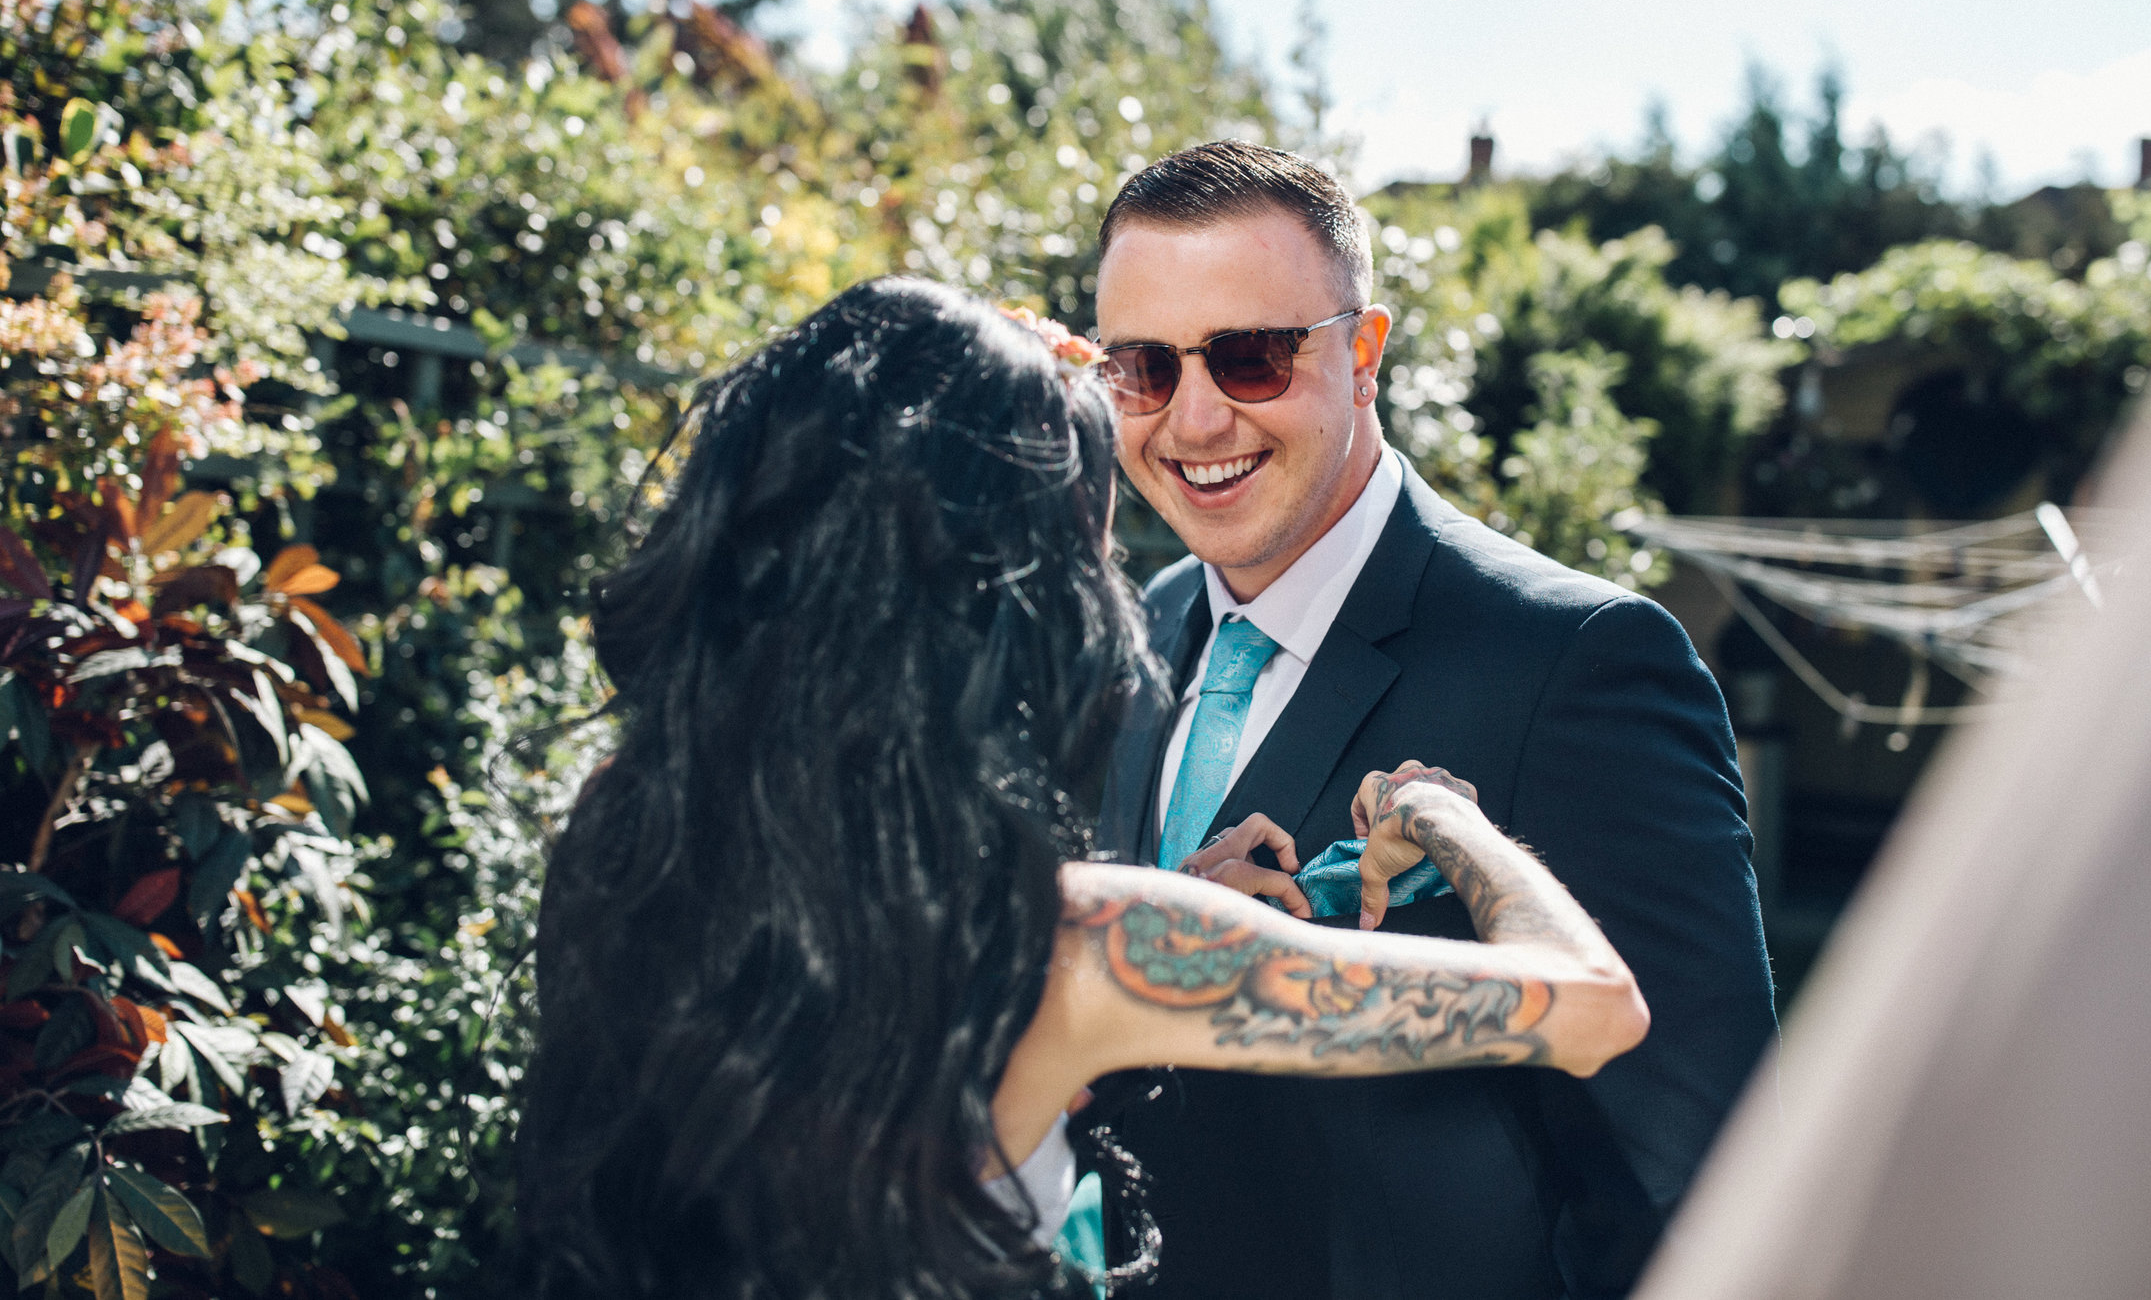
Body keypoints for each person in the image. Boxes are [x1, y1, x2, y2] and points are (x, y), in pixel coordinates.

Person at [514, 275, 1651, 1300]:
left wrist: (1171, 903)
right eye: (1088, 555)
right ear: (1012, 609)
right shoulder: (1084, 945)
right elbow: (1592, 1000)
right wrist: (1440, 816)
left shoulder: (624, 823)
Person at [1091, 141, 1777, 1299]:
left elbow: (1699, 1173)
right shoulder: (1140, 631)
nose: (1194, 418)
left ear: (1362, 353)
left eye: (1252, 357)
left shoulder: (1578, 662)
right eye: (1144, 367)